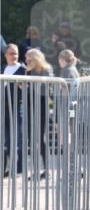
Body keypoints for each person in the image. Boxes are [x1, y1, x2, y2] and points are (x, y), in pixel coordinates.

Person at [22, 48, 54, 177]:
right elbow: (24, 87)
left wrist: (30, 84)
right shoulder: (28, 71)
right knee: (32, 139)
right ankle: (35, 170)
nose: (26, 61)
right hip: (29, 106)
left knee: (40, 139)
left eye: (28, 58)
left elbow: (47, 89)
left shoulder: (46, 70)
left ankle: (47, 169)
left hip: (41, 106)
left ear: (35, 58)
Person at [3, 44, 26, 177]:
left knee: (17, 139)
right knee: (6, 141)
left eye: (16, 53)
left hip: (17, 108)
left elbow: (26, 89)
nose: (14, 56)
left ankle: (18, 168)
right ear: (5, 54)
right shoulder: (3, 68)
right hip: (4, 109)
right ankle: (8, 167)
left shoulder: (22, 69)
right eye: (11, 53)